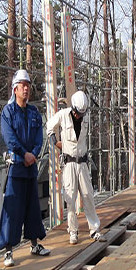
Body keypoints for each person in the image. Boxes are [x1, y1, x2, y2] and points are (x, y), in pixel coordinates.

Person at [0, 69, 50, 267]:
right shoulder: (8, 112)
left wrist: (34, 154)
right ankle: (8, 251)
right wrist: (24, 154)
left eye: (27, 85)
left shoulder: (34, 113)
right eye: (22, 86)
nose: (26, 89)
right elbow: (10, 138)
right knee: (13, 209)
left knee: (33, 209)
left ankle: (35, 244)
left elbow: (39, 137)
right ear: (15, 89)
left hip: (30, 167)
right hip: (17, 167)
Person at [46, 90, 102, 245]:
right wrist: (55, 142)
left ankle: (94, 229)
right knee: (70, 198)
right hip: (69, 163)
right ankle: (73, 231)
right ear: (73, 109)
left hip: (82, 162)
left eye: (81, 114)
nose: (79, 116)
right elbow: (49, 127)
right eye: (77, 113)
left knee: (88, 195)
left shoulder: (85, 117)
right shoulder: (63, 115)